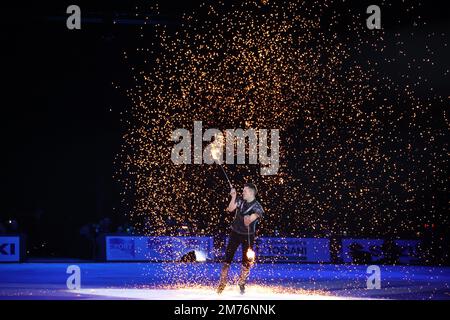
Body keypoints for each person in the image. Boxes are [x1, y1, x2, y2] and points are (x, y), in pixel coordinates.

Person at [217, 183, 264, 295]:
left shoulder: (258, 207)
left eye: (245, 191)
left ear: (251, 193)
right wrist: (233, 197)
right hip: (235, 233)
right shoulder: (240, 200)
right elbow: (230, 209)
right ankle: (222, 282)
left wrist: (249, 218)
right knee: (227, 259)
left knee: (246, 262)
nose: (242, 192)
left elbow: (248, 221)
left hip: (248, 236)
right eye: (242, 191)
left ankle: (242, 282)